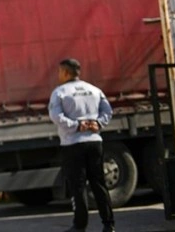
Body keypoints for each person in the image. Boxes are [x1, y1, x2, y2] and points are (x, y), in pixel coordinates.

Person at [48, 58, 115, 232]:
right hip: (94, 142)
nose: (58, 75)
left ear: (65, 72)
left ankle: (80, 226)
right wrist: (98, 123)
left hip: (73, 143)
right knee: (99, 184)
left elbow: (56, 116)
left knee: (78, 186)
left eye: (59, 72)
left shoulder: (60, 92)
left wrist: (76, 125)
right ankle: (109, 225)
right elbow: (107, 110)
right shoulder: (94, 89)